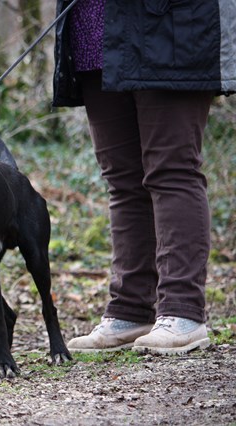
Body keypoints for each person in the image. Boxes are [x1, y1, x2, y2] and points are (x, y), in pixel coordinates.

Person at [52, 0, 236, 354]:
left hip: (171, 26)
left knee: (172, 170)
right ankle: (131, 308)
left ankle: (183, 311)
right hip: (93, 32)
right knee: (122, 180)